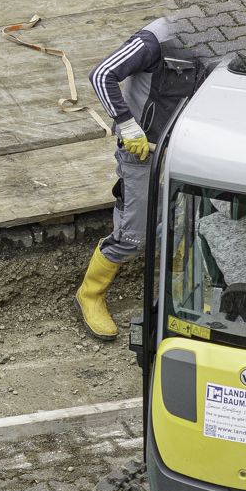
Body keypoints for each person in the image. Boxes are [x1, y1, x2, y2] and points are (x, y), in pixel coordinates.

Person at [76, 18, 183, 341]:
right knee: (133, 237)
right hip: (143, 151)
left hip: (188, 152)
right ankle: (90, 294)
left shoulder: (227, 38)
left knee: (189, 230)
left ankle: (180, 301)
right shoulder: (155, 41)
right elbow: (101, 74)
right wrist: (128, 124)